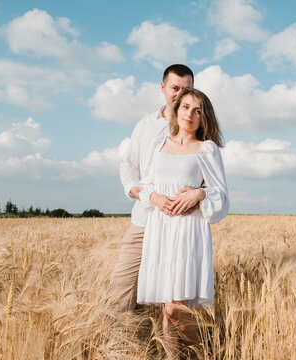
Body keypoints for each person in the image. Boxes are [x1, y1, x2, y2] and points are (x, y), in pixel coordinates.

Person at [137, 88, 228, 357]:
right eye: (186, 107)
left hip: (189, 230)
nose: (190, 114)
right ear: (176, 110)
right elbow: (146, 184)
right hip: (161, 230)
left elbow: (220, 193)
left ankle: (203, 354)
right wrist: (154, 196)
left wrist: (199, 193)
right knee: (167, 310)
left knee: (175, 308)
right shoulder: (159, 144)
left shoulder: (206, 149)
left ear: (204, 118)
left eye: (197, 110)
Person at [111, 64, 200, 312]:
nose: (181, 94)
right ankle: (121, 345)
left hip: (180, 224)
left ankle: (177, 349)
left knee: (176, 299)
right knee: (122, 286)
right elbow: (128, 165)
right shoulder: (145, 125)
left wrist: (200, 192)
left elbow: (210, 178)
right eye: (175, 88)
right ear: (162, 88)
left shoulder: (199, 126)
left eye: (188, 89)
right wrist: (137, 191)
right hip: (145, 219)